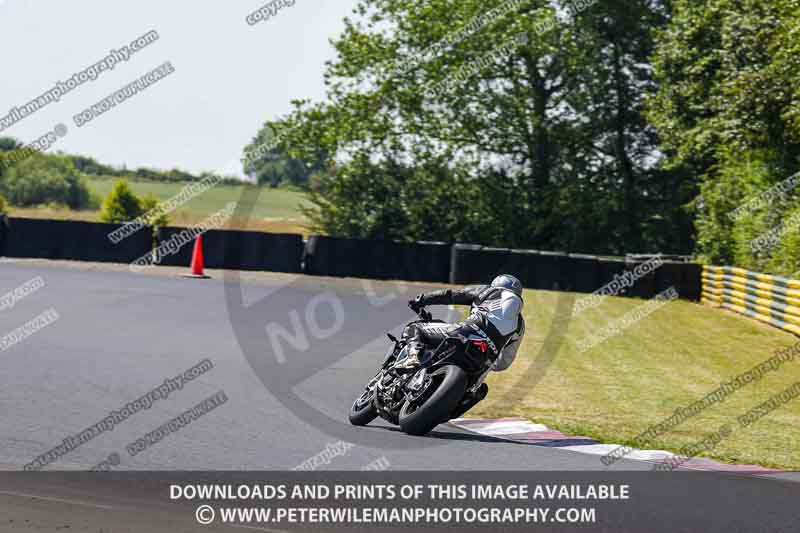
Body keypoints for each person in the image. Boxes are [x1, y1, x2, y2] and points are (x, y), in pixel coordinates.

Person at [402, 274, 526, 415]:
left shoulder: (488, 291)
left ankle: (412, 357)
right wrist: (491, 363)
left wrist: (423, 299)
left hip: (464, 333)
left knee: (415, 328)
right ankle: (461, 402)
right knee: (477, 389)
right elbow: (504, 362)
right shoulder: (520, 325)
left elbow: (453, 295)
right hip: (485, 358)